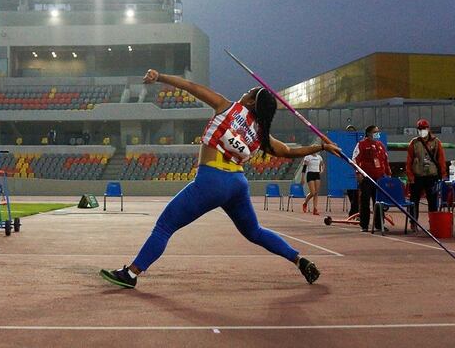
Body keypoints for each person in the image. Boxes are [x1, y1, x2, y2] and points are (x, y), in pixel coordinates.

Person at [99, 69, 342, 289]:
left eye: (248, 92)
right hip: (236, 184)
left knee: (164, 226)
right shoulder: (260, 134)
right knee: (254, 231)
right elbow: (288, 152)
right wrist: (320, 146)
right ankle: (299, 259)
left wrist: (160, 77)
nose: (243, 93)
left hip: (211, 181)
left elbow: (190, 87)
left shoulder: (228, 107)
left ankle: (131, 274)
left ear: (250, 101)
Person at [405, 119, 446, 230]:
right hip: (417, 176)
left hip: (432, 176)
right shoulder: (414, 143)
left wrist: (443, 175)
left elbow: (441, 159)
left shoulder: (436, 142)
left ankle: (433, 223)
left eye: (424, 128)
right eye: (420, 129)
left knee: (433, 201)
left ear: (428, 129)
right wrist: (410, 176)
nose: (422, 131)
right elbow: (409, 161)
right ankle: (413, 223)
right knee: (414, 201)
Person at [352, 125, 391, 231]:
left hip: (379, 178)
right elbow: (355, 159)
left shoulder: (380, 145)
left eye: (378, 131)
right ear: (369, 133)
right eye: (375, 132)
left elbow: (385, 160)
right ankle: (364, 225)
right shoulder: (361, 144)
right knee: (365, 201)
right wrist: (358, 173)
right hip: (366, 178)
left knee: (379, 202)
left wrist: (388, 174)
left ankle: (379, 224)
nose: (377, 134)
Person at [300, 150, 324, 215]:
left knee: (316, 193)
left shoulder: (319, 157)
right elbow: (304, 168)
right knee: (313, 192)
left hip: (317, 174)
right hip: (310, 174)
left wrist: (322, 170)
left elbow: (322, 164)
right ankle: (305, 202)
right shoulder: (307, 157)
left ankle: (315, 209)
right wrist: (302, 178)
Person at [344, 125, 361, 217]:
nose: (350, 132)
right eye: (348, 131)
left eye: (352, 131)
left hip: (357, 172)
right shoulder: (343, 143)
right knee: (351, 193)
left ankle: (355, 212)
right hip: (348, 172)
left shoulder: (358, 143)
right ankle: (354, 211)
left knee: (356, 193)